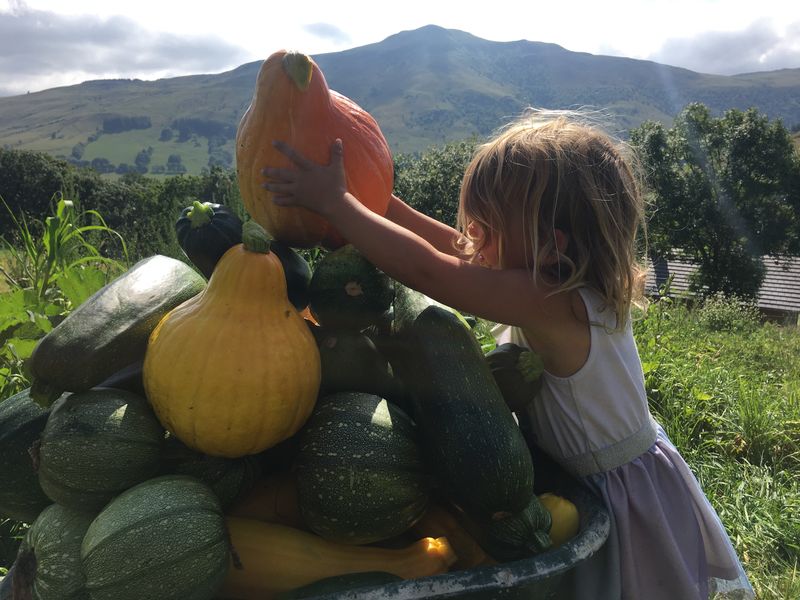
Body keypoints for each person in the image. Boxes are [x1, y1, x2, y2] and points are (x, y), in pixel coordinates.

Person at [262, 109, 754, 600]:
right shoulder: (561, 280)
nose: (473, 238)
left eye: (488, 228)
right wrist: (381, 203)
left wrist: (338, 204)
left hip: (612, 495)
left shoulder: (555, 303)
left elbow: (436, 273)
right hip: (599, 477)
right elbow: (456, 252)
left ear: (550, 247)